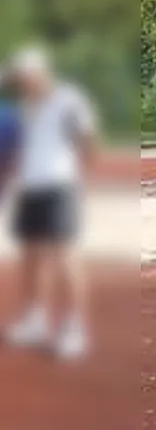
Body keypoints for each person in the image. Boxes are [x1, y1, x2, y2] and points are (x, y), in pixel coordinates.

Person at [0, 47, 100, 360]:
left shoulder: (69, 100)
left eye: (26, 77)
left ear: (41, 74)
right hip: (30, 188)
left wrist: (80, 179)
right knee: (30, 255)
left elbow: (87, 141)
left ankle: (75, 327)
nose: (23, 83)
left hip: (59, 187)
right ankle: (36, 320)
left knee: (64, 256)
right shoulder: (22, 108)